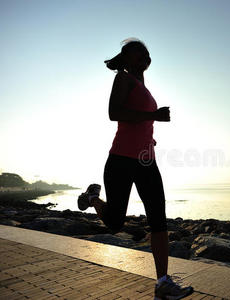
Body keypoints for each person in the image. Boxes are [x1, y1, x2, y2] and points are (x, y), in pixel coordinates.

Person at [77, 38, 193, 300]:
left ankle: (163, 283)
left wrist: (150, 136)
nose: (143, 56)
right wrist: (154, 116)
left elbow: (140, 122)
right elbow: (113, 112)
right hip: (121, 159)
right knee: (115, 223)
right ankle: (94, 197)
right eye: (137, 53)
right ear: (126, 59)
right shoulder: (123, 78)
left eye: (146, 53)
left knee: (158, 219)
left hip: (146, 161)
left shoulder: (143, 86)